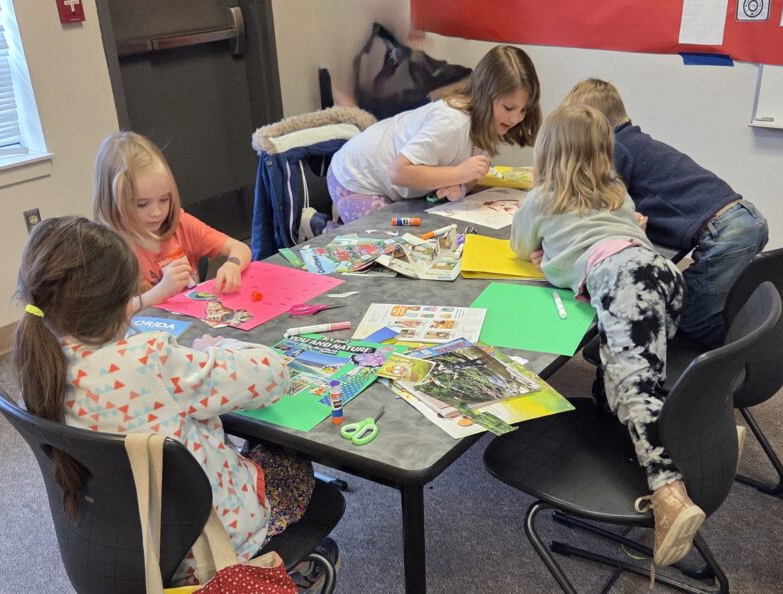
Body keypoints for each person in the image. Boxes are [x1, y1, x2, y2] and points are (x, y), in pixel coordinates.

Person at [11, 217, 331, 588]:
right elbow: (273, 375)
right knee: (290, 459)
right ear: (123, 304)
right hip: (211, 549)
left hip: (126, 546)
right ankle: (295, 569)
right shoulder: (151, 359)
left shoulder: (37, 370)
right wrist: (220, 347)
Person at [511, 104, 703, 571]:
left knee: (634, 386)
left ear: (548, 152)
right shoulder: (617, 192)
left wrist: (547, 252)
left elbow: (519, 244)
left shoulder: (544, 196)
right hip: (662, 272)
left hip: (621, 278)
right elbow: (617, 230)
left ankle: (668, 495)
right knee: (624, 374)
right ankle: (703, 430)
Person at [561, 78, 768, 348]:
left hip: (727, 232)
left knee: (689, 313)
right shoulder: (638, 141)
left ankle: (732, 362)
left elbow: (601, 203)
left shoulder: (615, 146)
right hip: (743, 219)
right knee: (700, 303)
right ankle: (732, 351)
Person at [327, 44, 542, 223]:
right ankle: (322, 228)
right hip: (355, 178)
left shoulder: (487, 123)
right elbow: (399, 172)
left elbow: (469, 173)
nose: (516, 119)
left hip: (392, 185)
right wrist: (459, 174)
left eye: (523, 110)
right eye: (509, 108)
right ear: (486, 95)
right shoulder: (452, 123)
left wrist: (461, 188)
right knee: (385, 247)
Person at [93, 131, 253, 313]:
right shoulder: (107, 249)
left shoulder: (180, 223)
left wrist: (232, 264)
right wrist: (161, 291)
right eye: (142, 204)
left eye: (164, 199)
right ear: (114, 201)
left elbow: (240, 248)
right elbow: (110, 316)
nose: (156, 212)